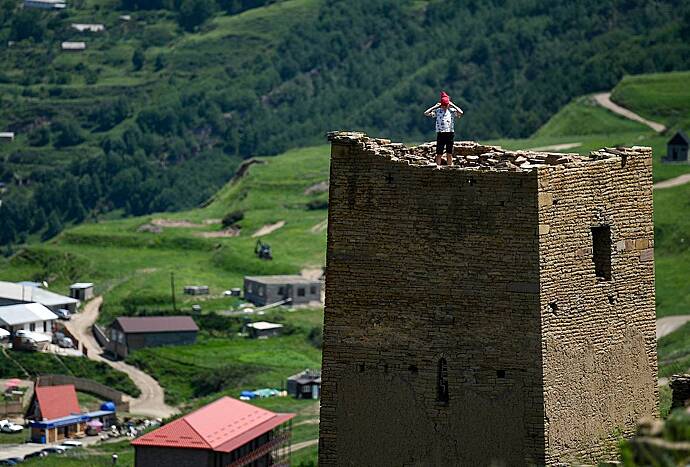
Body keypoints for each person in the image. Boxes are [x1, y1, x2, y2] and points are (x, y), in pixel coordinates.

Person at [424, 91, 464, 166]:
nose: (445, 107)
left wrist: (453, 105)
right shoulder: (438, 111)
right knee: (439, 153)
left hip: (450, 133)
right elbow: (426, 113)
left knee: (449, 153)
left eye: (446, 105)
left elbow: (461, 112)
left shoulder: (452, 111)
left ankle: (450, 167)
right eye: (443, 105)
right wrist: (435, 106)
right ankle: (438, 167)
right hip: (441, 133)